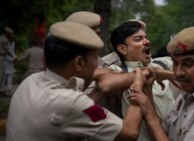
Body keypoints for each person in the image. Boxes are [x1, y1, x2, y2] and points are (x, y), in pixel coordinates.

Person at [6, 21, 154, 141]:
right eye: (95, 58)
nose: (98, 64)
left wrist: (97, 92)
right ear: (78, 62)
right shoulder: (71, 102)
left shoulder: (31, 81)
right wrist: (138, 83)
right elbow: (129, 133)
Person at [109, 20, 175, 141]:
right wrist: (147, 74)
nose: (147, 41)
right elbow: (106, 84)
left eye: (146, 37)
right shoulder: (117, 71)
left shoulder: (158, 64)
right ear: (123, 49)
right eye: (138, 39)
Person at [0, 27, 15, 96]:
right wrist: (14, 57)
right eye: (10, 34)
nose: (10, 36)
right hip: (2, 57)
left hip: (2, 56)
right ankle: (1, 90)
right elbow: (8, 50)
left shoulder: (1, 38)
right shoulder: (5, 40)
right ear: (6, 33)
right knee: (1, 74)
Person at [4, 31, 16, 96]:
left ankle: (9, 88)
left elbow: (13, 52)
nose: (12, 38)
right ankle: (3, 89)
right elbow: (6, 52)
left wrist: (14, 58)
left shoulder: (13, 43)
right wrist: (12, 59)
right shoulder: (6, 42)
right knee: (4, 75)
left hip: (11, 61)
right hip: (6, 61)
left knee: (10, 75)